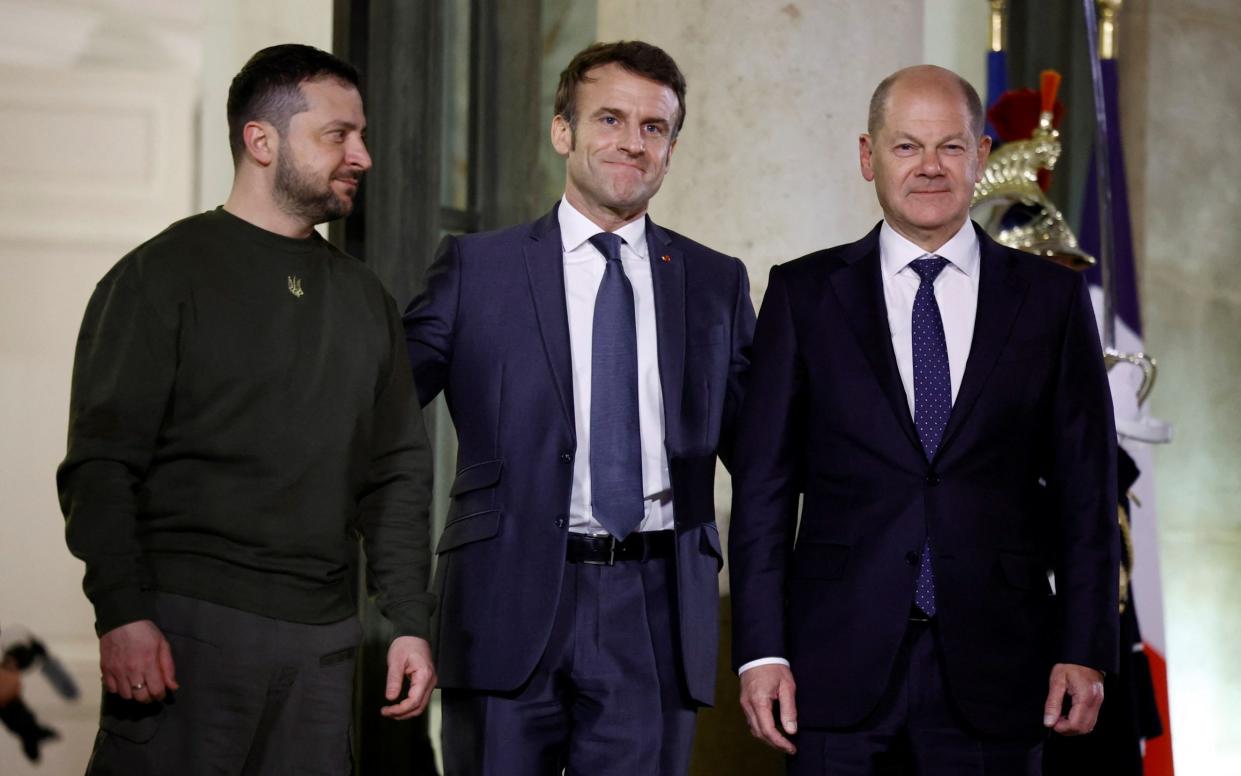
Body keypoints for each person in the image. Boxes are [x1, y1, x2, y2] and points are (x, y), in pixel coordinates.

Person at [728, 65, 1119, 774]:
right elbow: (762, 492)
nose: (930, 168)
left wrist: (1084, 645)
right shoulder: (802, 295)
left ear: (981, 154)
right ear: (866, 155)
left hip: (1002, 668)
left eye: (950, 146)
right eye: (906, 146)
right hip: (832, 665)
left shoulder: (1051, 301)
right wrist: (761, 650)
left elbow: (1083, 492)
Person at [57, 43, 436, 774]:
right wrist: (124, 615)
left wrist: (408, 623)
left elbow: (396, 475)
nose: (361, 155)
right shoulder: (159, 276)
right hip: (184, 629)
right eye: (337, 135)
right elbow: (101, 465)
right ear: (261, 141)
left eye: (361, 135)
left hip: (324, 641)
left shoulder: (365, 301)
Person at [404, 40, 754, 776]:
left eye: (653, 127)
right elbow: (380, 416)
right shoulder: (475, 270)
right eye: (609, 119)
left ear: (672, 146)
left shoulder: (714, 282)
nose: (632, 141)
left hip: (654, 608)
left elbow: (763, 455)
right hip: (503, 600)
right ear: (562, 131)